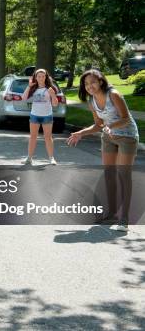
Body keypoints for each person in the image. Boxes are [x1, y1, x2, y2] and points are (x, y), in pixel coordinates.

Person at [67, 69, 139, 232]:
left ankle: (124, 219)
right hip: (108, 136)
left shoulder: (114, 94)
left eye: (92, 82)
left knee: (123, 175)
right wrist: (81, 133)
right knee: (109, 175)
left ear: (100, 81)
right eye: (86, 84)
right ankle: (112, 214)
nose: (89, 86)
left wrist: (109, 127)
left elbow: (126, 118)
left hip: (127, 136)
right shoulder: (92, 101)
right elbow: (98, 124)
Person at [22, 68, 59, 165]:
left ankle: (51, 158)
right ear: (36, 77)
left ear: (46, 77)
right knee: (33, 137)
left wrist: (53, 95)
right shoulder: (33, 88)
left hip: (47, 115)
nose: (41, 78)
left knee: (48, 137)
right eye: (39, 76)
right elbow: (24, 98)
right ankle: (29, 158)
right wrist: (29, 86)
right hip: (35, 115)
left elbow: (55, 104)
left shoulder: (51, 88)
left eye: (43, 76)